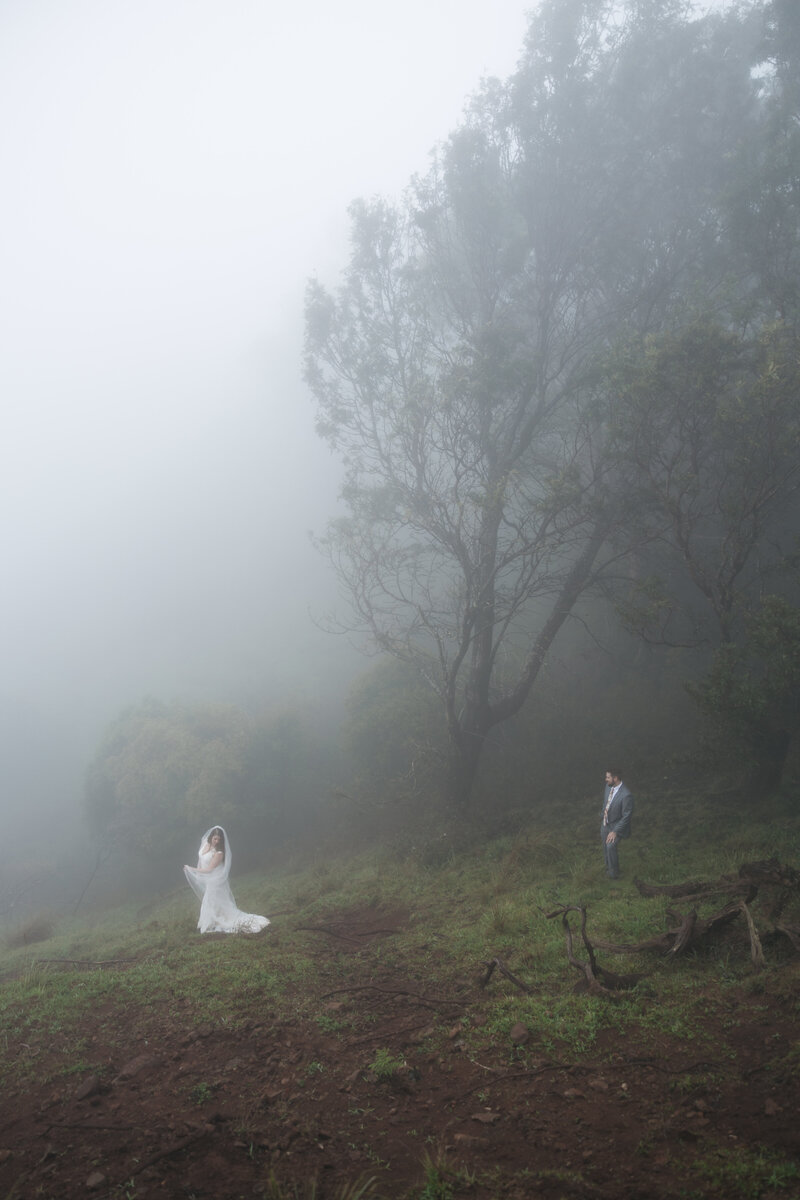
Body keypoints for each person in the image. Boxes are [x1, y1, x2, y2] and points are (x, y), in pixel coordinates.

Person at [183, 826, 270, 934]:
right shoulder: (205, 843)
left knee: (213, 901)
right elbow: (201, 858)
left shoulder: (219, 853)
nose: (217, 841)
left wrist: (191, 869)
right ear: (210, 837)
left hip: (216, 879)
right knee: (211, 901)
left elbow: (209, 869)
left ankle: (214, 922)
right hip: (209, 879)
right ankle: (211, 922)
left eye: (219, 840)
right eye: (215, 838)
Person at [601, 769, 633, 880]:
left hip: (617, 826)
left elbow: (626, 816)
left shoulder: (626, 795)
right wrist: (603, 818)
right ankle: (608, 869)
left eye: (608, 777)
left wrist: (615, 831)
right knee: (605, 847)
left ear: (615, 778)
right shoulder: (608, 787)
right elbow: (605, 803)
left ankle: (614, 875)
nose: (606, 780)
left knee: (610, 846)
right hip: (605, 824)